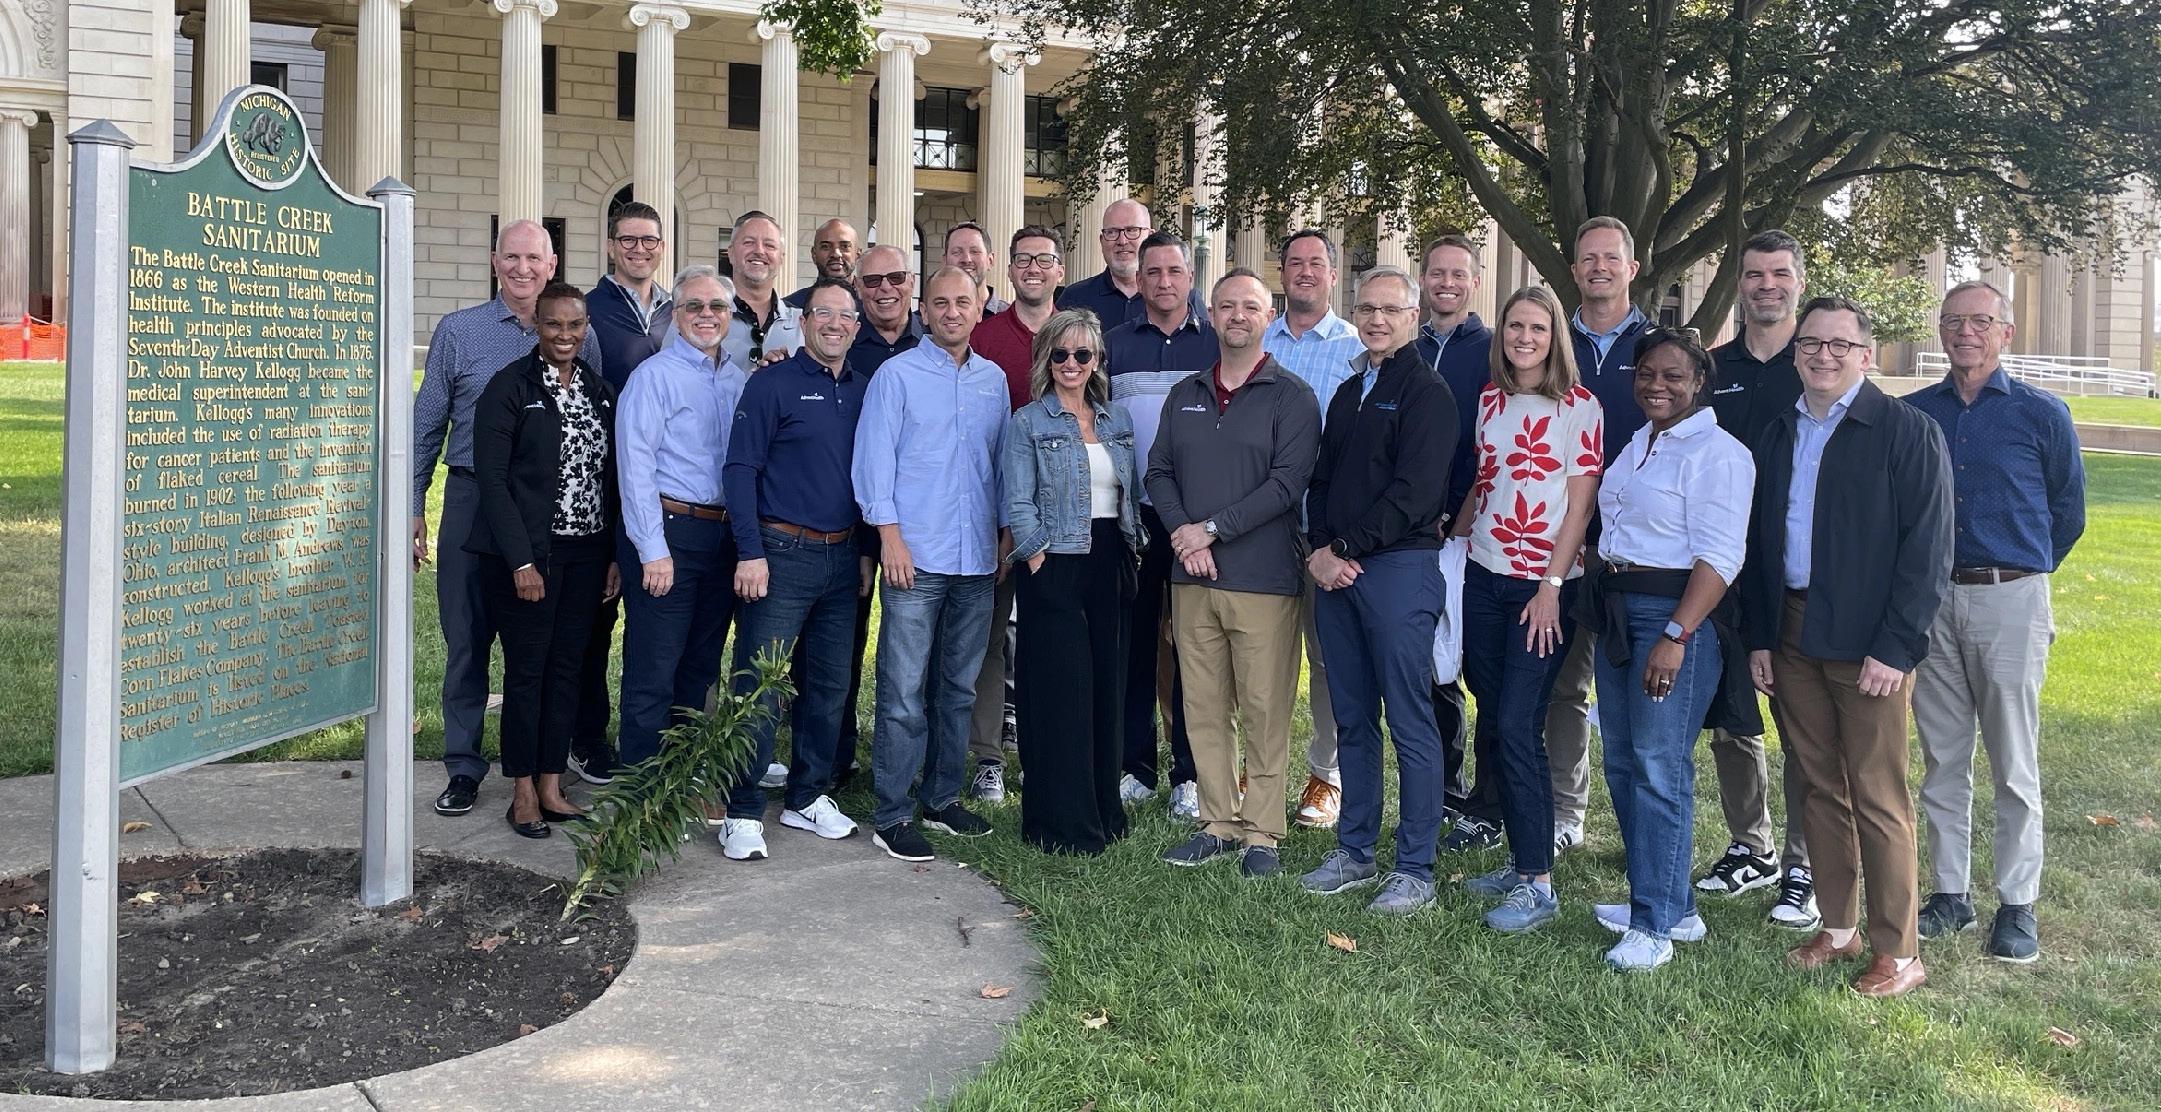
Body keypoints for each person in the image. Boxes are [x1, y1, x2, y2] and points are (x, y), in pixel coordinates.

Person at [1742, 295, 1952, 999]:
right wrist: (1761, 637)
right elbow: (1761, 542)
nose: (1822, 355)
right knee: (1816, 782)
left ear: (1866, 354)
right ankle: (1838, 928)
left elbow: (1927, 551)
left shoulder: (1905, 431)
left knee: (1876, 791)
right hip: (1792, 632)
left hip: (1869, 641)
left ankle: (1900, 950)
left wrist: (1896, 646)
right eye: (1811, 343)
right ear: (1795, 352)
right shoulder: (1780, 431)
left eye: (1839, 344)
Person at [1908, 280, 2086, 963]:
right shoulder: (1916, 413)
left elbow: (2067, 513)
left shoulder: (2041, 414)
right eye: (1954, 321)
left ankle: (2017, 904)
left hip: (2010, 598)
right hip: (1933, 604)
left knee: (2012, 760)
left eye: (1981, 321)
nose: (1966, 332)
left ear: (2005, 333)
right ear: (1940, 330)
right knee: (1942, 758)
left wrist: (2022, 572)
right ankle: (1949, 895)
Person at [413, 219, 604, 818]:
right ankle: (464, 766)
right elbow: (427, 425)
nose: (523, 268)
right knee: (467, 637)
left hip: (554, 513)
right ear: (495, 262)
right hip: (475, 497)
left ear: (551, 266)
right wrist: (414, 505)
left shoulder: (580, 334)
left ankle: (544, 768)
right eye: (512, 257)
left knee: (546, 650)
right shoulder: (460, 331)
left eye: (534, 259)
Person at [1576, 327, 1753, 970]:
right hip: (1620, 612)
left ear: (1699, 382)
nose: (1657, 385)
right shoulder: (1641, 442)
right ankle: (1672, 905)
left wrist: (1676, 636)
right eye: (1647, 373)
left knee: (1659, 768)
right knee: (1625, 763)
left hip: (1674, 617)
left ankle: (1652, 926)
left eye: (1674, 375)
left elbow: (1721, 556)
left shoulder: (1719, 454)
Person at [1150, 269, 1322, 878]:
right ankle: (1218, 823)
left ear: (1268, 315)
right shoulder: (1186, 393)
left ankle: (1262, 833)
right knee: (1202, 706)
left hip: (1262, 579)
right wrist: (1184, 533)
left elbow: (1286, 484)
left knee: (1263, 708)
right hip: (1192, 579)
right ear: (1212, 315)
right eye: (1226, 306)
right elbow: (1158, 472)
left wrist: (1212, 529)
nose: (1237, 316)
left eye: (1249, 306)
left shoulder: (1292, 396)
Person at [1297, 266, 1456, 915]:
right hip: (1336, 573)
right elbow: (1321, 480)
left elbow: (1415, 494)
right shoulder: (1348, 391)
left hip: (1396, 570)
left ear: (1413, 317)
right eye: (1366, 308)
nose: (1377, 320)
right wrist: (1320, 551)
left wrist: (1342, 550)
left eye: (1391, 309)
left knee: (1409, 720)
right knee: (1352, 715)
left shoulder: (1427, 393)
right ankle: (1354, 851)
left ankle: (1415, 868)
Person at [1450, 285, 1603, 934]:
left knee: (1517, 725)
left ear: (1554, 337)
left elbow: (1580, 507)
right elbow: (1484, 484)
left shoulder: (1579, 407)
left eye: (1537, 328)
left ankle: (1537, 883)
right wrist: (1453, 545)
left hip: (1540, 588)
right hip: (1483, 576)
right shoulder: (1489, 400)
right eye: (1515, 326)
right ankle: (1520, 861)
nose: (1524, 337)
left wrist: (1551, 585)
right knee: (1496, 715)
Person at [853, 267, 1008, 862]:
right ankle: (893, 812)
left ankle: (942, 799)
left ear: (979, 307)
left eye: (962, 302)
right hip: (914, 558)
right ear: (924, 310)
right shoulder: (896, 376)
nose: (951, 312)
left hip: (976, 558)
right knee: (902, 691)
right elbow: (873, 461)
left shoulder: (993, 380)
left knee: (959, 688)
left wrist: (1003, 535)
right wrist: (889, 538)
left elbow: (1000, 465)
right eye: (940, 303)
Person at [717, 278, 871, 859]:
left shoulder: (864, 390)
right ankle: (742, 809)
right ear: (803, 322)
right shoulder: (771, 383)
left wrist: (864, 552)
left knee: (829, 686)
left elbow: (870, 475)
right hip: (780, 553)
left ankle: (807, 796)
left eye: (845, 316)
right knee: (758, 685)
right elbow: (740, 469)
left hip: (843, 556)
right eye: (823, 313)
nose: (834, 324)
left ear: (856, 327)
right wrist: (750, 552)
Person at [466, 282, 621, 837]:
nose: (564, 335)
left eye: (575, 325)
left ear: (586, 327)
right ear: (536, 324)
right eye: (554, 324)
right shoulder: (509, 387)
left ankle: (553, 783)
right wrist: (521, 562)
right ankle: (523, 790)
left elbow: (612, 478)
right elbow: (493, 480)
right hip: (529, 557)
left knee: (568, 668)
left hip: (587, 553)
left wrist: (612, 554)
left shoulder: (600, 392)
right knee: (528, 672)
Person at [1697, 229, 1818, 930]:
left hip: (1798, 574)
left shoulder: (1818, 361)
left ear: (1798, 280)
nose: (1766, 285)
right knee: (1732, 720)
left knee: (1802, 725)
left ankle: (1803, 863)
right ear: (1738, 284)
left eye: (1779, 273)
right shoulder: (1714, 369)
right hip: (1724, 570)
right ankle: (1752, 845)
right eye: (1753, 274)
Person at [1002, 307, 1144, 855]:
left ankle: (1104, 810)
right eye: (1060, 353)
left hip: (1110, 560)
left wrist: (1132, 548)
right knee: (1062, 691)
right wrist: (1038, 558)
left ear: (1097, 359)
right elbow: (1017, 500)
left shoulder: (1116, 420)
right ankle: (1061, 821)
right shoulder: (1028, 422)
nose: (1071, 363)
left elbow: (1128, 492)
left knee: (1106, 687)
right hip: (1055, 561)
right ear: (1046, 358)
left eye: (1082, 354)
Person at [614, 266, 749, 811]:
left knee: (700, 668)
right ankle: (639, 794)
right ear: (675, 314)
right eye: (694, 306)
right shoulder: (654, 377)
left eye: (717, 307)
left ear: (730, 315)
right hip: (669, 534)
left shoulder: (737, 380)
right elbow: (635, 468)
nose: (706, 316)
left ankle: (683, 779)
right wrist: (653, 551)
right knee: (654, 668)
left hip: (721, 538)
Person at [1546, 215, 1653, 855]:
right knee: (1565, 686)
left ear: (1631, 268)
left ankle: (1645, 824)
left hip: (1638, 550)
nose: (1599, 268)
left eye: (1611, 258)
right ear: (1575, 269)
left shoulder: (1658, 347)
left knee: (1636, 692)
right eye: (1588, 258)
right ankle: (1566, 812)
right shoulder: (1551, 341)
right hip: (1558, 540)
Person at [1103, 231, 1216, 817]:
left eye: (1175, 271)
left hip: (1198, 523)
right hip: (1135, 517)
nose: (1164, 281)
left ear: (1190, 278)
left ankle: (1189, 774)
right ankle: (1136, 767)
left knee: (1194, 646)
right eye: (1154, 272)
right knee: (1135, 642)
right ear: (1139, 280)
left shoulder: (1216, 343)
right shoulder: (1114, 345)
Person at [1259, 229, 1362, 831]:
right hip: (1262, 530)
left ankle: (1327, 776)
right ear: (1282, 272)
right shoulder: (1258, 341)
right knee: (1264, 656)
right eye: (1294, 262)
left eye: (1315, 263)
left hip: (1324, 535)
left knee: (1328, 661)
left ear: (1333, 274)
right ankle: (1262, 770)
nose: (1304, 271)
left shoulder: (1355, 346)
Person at [966, 225, 1071, 803]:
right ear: (1007, 270)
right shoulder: (983, 337)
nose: (1034, 268)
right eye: (1023, 259)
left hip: (1067, 519)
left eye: (1045, 259)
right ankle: (989, 757)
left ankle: (1043, 748)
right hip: (996, 517)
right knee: (988, 638)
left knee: (1049, 638)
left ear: (1061, 271)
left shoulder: (1077, 337)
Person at [571, 201, 672, 788]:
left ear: (662, 246)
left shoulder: (677, 309)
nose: (639, 249)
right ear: (611, 245)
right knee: (596, 617)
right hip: (602, 482)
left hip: (669, 488)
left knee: (657, 622)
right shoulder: (591, 312)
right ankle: (587, 737)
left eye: (649, 240)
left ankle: (662, 737)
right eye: (628, 240)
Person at [1414, 233, 1501, 854]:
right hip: (1417, 535)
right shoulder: (1406, 348)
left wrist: (1461, 511)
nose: (1446, 283)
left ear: (1474, 281)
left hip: (1481, 530)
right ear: (1423, 279)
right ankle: (1444, 790)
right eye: (1436, 272)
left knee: (1485, 669)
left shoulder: (1494, 350)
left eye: (1457, 274)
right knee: (1432, 670)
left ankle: (1490, 804)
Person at [1058, 197, 1208, 326]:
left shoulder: (1187, 298)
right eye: (1112, 232)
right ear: (1102, 240)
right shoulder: (1075, 298)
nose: (1122, 241)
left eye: (1132, 230)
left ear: (1149, 236)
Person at [721, 210, 804, 370]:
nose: (759, 251)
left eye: (769, 245)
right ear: (730, 253)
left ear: (781, 258)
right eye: (749, 242)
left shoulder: (803, 324)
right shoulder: (702, 317)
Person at [784, 218, 861, 310]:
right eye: (826, 246)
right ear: (814, 254)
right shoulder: (791, 308)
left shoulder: (872, 308)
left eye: (844, 246)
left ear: (858, 254)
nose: (836, 254)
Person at [943, 221, 1011, 315]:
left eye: (975, 251)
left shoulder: (1013, 318)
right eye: (957, 252)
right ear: (945, 261)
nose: (966, 259)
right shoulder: (929, 319)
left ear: (990, 260)